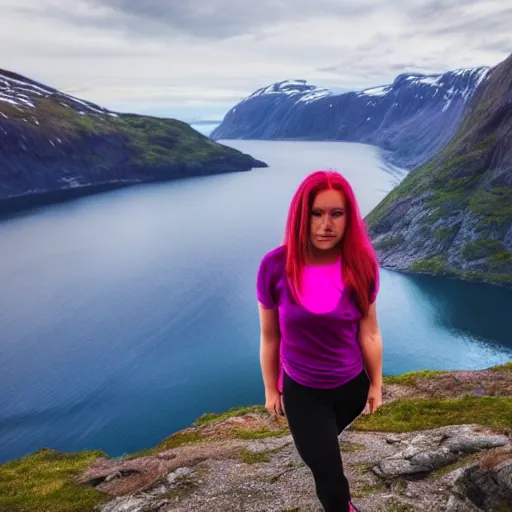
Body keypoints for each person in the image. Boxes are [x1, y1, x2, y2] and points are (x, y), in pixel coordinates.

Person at [256, 170, 383, 512]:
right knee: (328, 475)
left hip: (351, 388)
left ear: (348, 218)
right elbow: (270, 336)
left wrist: (376, 384)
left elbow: (368, 330)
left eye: (336, 214)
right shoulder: (274, 266)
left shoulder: (362, 265)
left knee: (324, 456)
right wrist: (271, 389)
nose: (326, 224)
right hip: (303, 393)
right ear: (302, 215)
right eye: (317, 213)